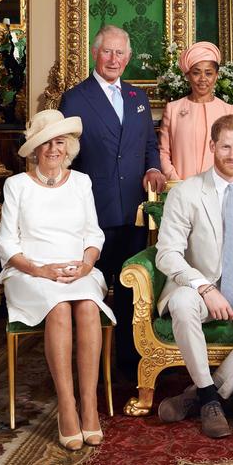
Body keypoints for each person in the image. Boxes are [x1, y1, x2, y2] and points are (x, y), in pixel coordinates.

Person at [0, 110, 116, 451]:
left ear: (70, 147)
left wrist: (85, 263)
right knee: (60, 307)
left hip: (78, 269)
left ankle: (89, 406)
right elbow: (7, 244)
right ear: (34, 149)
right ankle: (67, 405)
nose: (53, 149)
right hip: (29, 272)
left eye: (59, 142)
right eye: (45, 143)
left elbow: (93, 235)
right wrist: (41, 270)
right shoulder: (16, 186)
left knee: (89, 308)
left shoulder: (81, 183)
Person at [154, 114, 233, 438]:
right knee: (181, 304)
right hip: (196, 280)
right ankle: (211, 399)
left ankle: (204, 394)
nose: (232, 154)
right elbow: (167, 253)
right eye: (225, 146)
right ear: (212, 146)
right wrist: (204, 287)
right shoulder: (186, 192)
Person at [59, 24, 166, 376]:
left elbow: (150, 145)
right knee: (93, 288)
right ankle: (92, 365)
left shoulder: (138, 98)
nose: (114, 59)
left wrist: (153, 169)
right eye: (108, 51)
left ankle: (129, 364)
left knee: (131, 287)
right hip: (94, 210)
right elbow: (65, 156)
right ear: (95, 53)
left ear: (129, 57)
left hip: (132, 209)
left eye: (121, 53)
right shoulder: (75, 98)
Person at [158, 41, 233, 181]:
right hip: (180, 188)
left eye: (208, 73)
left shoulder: (229, 111)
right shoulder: (173, 109)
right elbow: (163, 152)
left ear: (216, 76)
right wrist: (176, 181)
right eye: (196, 73)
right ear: (188, 75)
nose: (203, 79)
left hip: (218, 188)